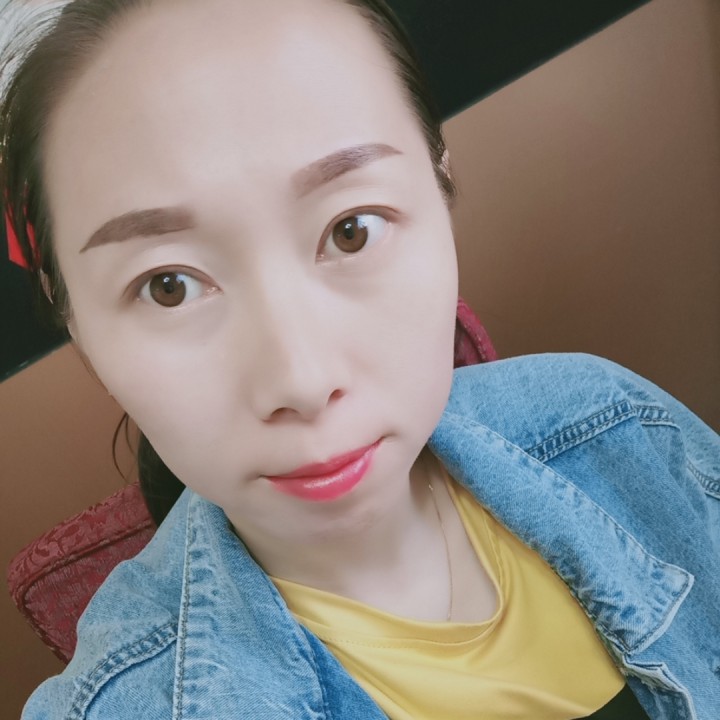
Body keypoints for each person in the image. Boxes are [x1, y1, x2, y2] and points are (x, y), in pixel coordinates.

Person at [1, 0, 718, 718]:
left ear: (440, 188)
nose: (303, 381)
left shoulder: (616, 427)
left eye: (351, 231)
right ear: (76, 321)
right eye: (169, 286)